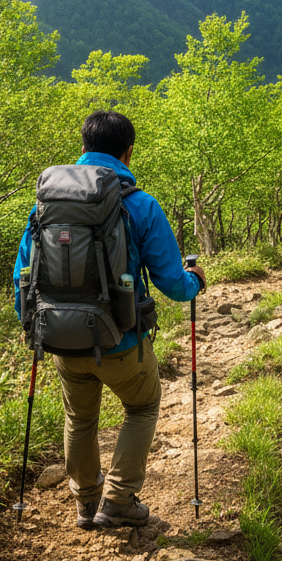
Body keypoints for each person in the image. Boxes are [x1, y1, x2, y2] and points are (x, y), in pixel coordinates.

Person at [15, 110, 206, 530]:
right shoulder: (140, 205)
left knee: (79, 418)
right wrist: (195, 283)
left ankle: (85, 503)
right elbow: (173, 283)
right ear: (129, 152)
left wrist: (38, 328)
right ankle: (118, 500)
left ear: (82, 148)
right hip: (122, 342)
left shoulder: (44, 208)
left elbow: (22, 280)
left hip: (62, 341)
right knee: (142, 406)